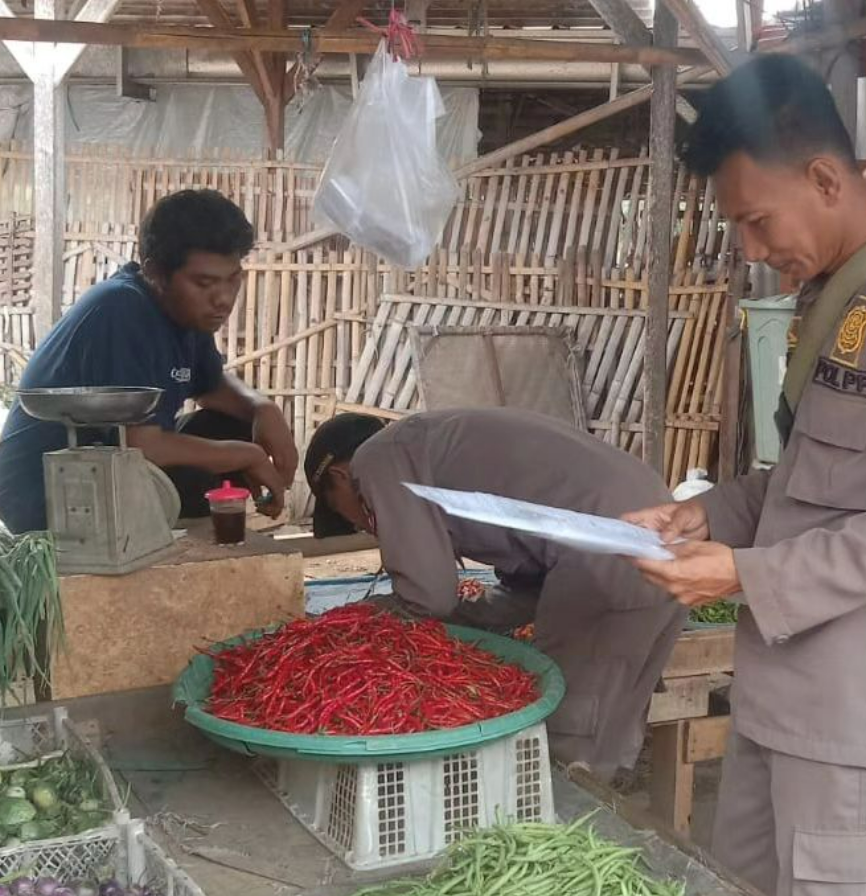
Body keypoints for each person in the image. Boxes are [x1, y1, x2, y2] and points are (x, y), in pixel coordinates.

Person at [625, 55, 866, 896]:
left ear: (826, 178)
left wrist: (749, 573)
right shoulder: (833, 295)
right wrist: (711, 515)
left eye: (760, 223)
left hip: (848, 727)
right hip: (777, 700)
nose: (755, 253)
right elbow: (811, 480)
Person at [304, 408, 686, 779]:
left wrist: (372, 614)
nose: (364, 525)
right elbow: (524, 592)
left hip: (606, 545)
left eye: (343, 513)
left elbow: (428, 597)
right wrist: (469, 618)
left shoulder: (377, 458)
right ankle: (600, 808)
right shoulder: (435, 442)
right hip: (667, 528)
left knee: (564, 734)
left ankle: (567, 828)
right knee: (611, 723)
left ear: (340, 476)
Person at [0, 189, 298, 533]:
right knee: (213, 460)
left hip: (116, 472)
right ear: (155, 272)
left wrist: (262, 408)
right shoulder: (121, 309)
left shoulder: (189, 312)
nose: (224, 299)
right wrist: (250, 455)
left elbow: (210, 385)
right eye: (204, 283)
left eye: (233, 280)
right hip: (45, 497)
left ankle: (199, 543)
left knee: (232, 425)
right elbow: (144, 445)